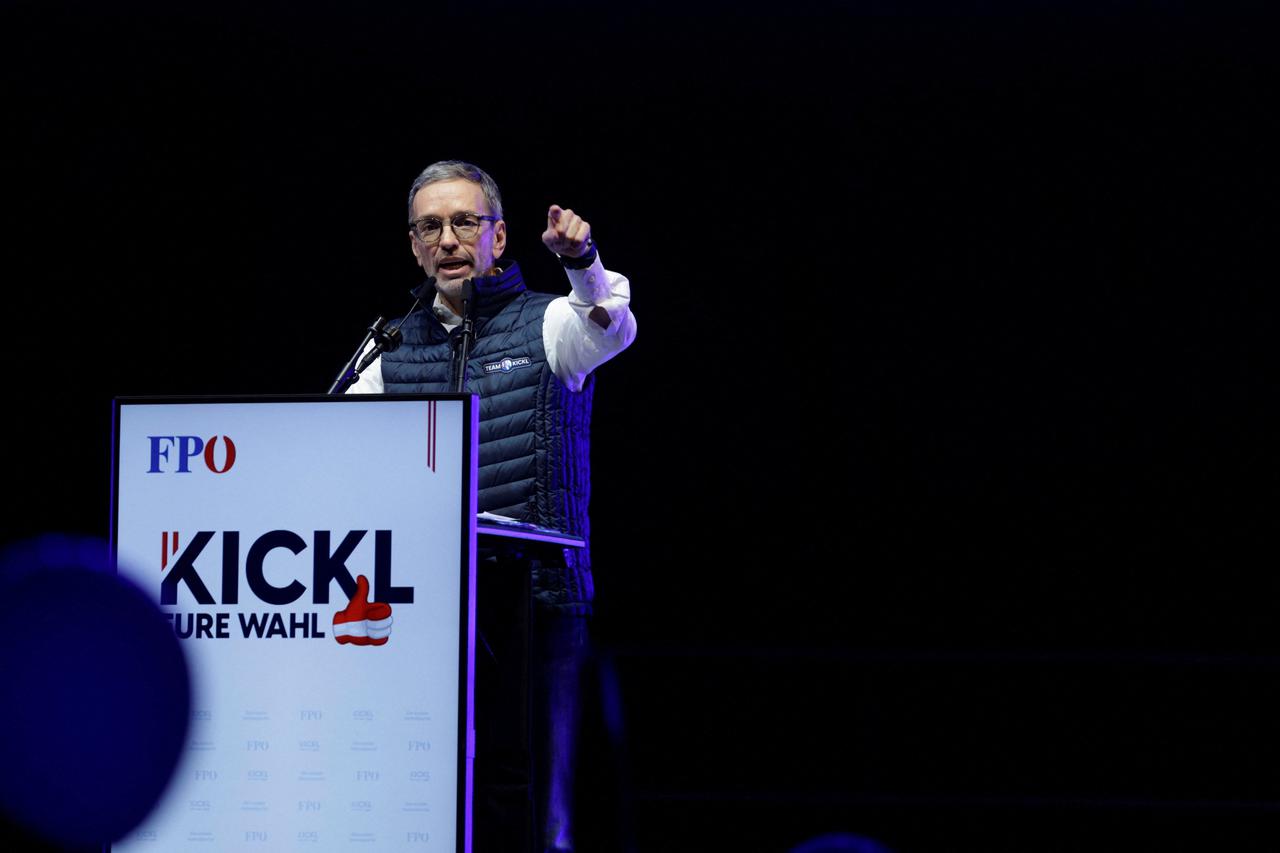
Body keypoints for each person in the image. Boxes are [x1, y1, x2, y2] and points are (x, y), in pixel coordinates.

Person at [347, 160, 636, 852]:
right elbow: (338, 452)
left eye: (463, 221)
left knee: (542, 811)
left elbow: (612, 326)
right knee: (443, 803)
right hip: (428, 621)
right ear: (414, 245)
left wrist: (583, 262)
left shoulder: (551, 322)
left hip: (540, 605)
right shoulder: (387, 348)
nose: (447, 239)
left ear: (498, 238)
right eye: (429, 227)